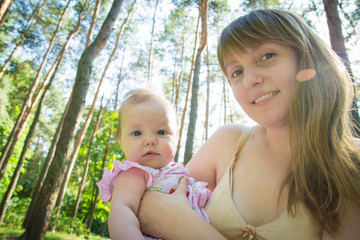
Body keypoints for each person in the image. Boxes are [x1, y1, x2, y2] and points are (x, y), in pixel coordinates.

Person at [137, 9, 360, 240]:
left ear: (305, 59)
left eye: (266, 56)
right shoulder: (227, 142)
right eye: (237, 72)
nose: (250, 79)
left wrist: (184, 228)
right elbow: (149, 207)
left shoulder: (351, 167)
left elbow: (167, 217)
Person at [96, 89, 211, 240]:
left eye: (161, 132)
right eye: (137, 133)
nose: (150, 140)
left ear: (176, 139)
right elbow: (123, 210)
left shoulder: (176, 171)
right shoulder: (135, 173)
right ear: (121, 142)